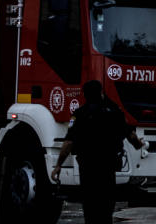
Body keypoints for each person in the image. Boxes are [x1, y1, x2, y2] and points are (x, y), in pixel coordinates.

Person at [51, 80, 144, 224]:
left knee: (90, 206)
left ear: (84, 95)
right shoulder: (115, 112)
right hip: (107, 167)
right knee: (106, 206)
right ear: (101, 93)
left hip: (87, 167)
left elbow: (69, 142)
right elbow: (130, 135)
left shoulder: (77, 115)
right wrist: (139, 145)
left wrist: (58, 165)